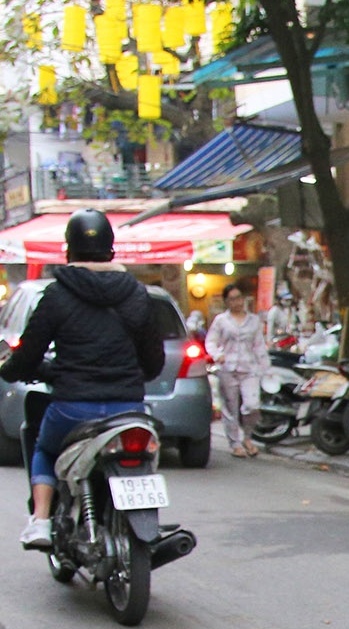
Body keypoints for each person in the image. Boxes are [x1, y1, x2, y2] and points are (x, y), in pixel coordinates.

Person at [5, 210, 165, 550]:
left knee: (44, 447)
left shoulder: (57, 295)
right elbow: (153, 361)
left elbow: (29, 355)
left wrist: (13, 369)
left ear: (69, 251)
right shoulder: (137, 294)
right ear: (111, 250)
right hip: (129, 410)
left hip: (73, 409)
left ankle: (42, 519)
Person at [204, 284, 268, 457]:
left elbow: (259, 346)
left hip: (249, 368)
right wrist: (218, 355)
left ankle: (247, 436)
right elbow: (210, 341)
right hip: (228, 368)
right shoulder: (221, 321)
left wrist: (266, 369)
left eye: (239, 298)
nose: (237, 302)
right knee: (230, 408)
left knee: (252, 405)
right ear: (226, 301)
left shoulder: (254, 321)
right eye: (232, 299)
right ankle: (235, 444)